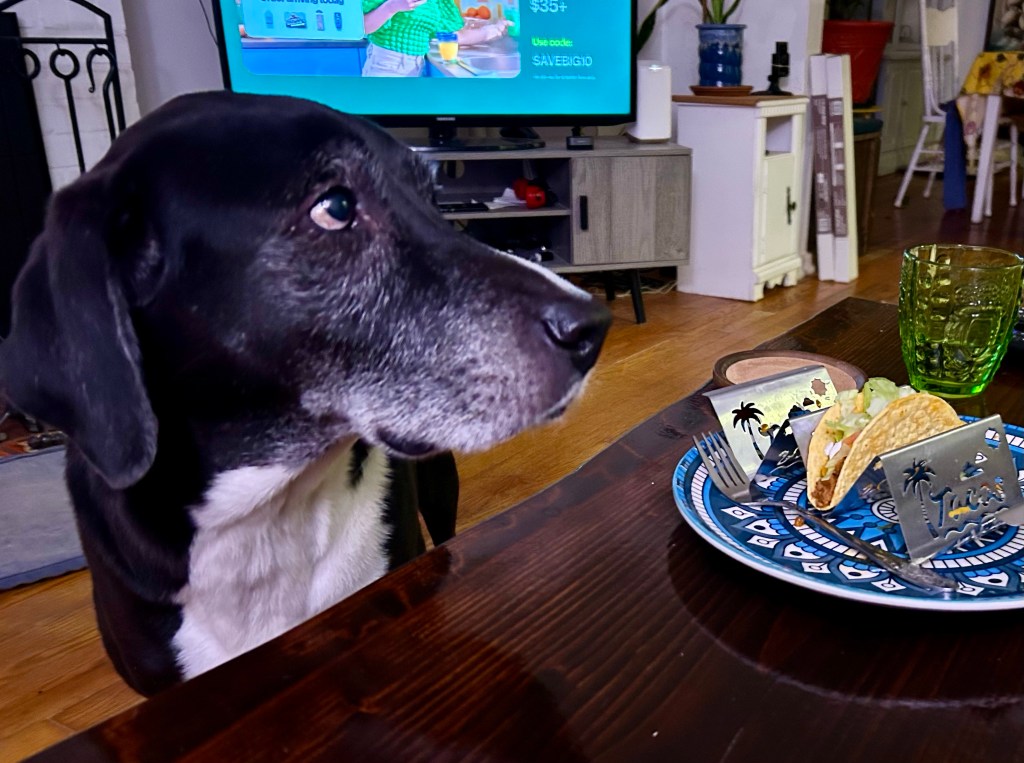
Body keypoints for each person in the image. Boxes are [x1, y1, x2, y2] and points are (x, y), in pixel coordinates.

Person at [361, 0, 510, 77]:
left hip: (415, 67)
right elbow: (363, 27)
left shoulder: (436, 2)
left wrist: (492, 30)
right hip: (385, 65)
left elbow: (454, 36)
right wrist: (392, 6)